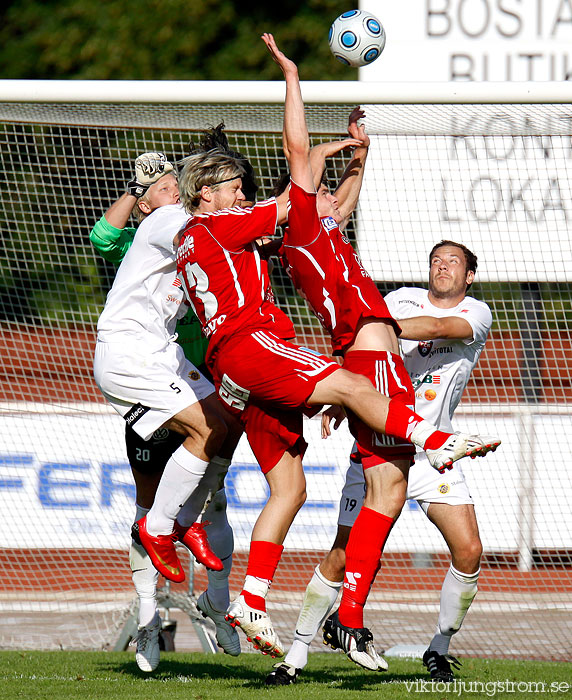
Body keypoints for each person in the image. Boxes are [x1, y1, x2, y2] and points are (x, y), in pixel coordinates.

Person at [173, 33, 499, 661]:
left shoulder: (315, 226)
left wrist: (356, 154)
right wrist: (297, 88)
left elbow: (337, 198)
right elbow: (301, 161)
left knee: (360, 489)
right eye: (319, 190)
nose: (331, 201)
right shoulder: (294, 225)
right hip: (359, 354)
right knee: (387, 485)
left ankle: (311, 622)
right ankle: (435, 445)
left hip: (306, 355)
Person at [267, 238, 491, 684]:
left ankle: (439, 650)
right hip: (378, 441)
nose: (442, 267)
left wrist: (377, 326)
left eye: (453, 262)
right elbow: (361, 353)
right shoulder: (397, 299)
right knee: (341, 555)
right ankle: (294, 656)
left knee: (468, 550)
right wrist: (341, 394)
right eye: (436, 260)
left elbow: (433, 328)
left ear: (468, 276)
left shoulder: (476, 312)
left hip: (432, 450)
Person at [92, 144, 256, 670]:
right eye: (230, 187)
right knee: (191, 451)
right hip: (129, 357)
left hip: (170, 358)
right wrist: (276, 208)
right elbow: (107, 235)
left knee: (227, 426)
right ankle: (153, 581)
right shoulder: (170, 218)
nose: (168, 188)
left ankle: (182, 525)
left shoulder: (198, 229)